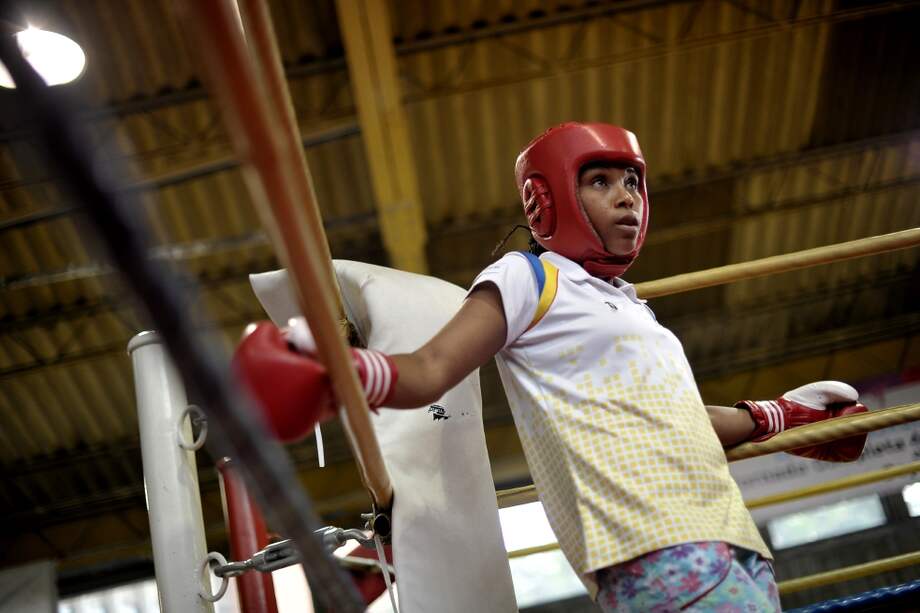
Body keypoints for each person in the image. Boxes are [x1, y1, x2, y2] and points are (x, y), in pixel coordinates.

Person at [234, 122, 868, 611]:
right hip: (653, 543)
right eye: (600, 181)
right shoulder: (528, 276)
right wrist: (338, 375)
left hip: (731, 536)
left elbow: (672, 419)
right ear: (546, 198)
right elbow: (431, 368)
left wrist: (778, 416)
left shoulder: (629, 306)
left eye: (634, 182)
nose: (627, 197)